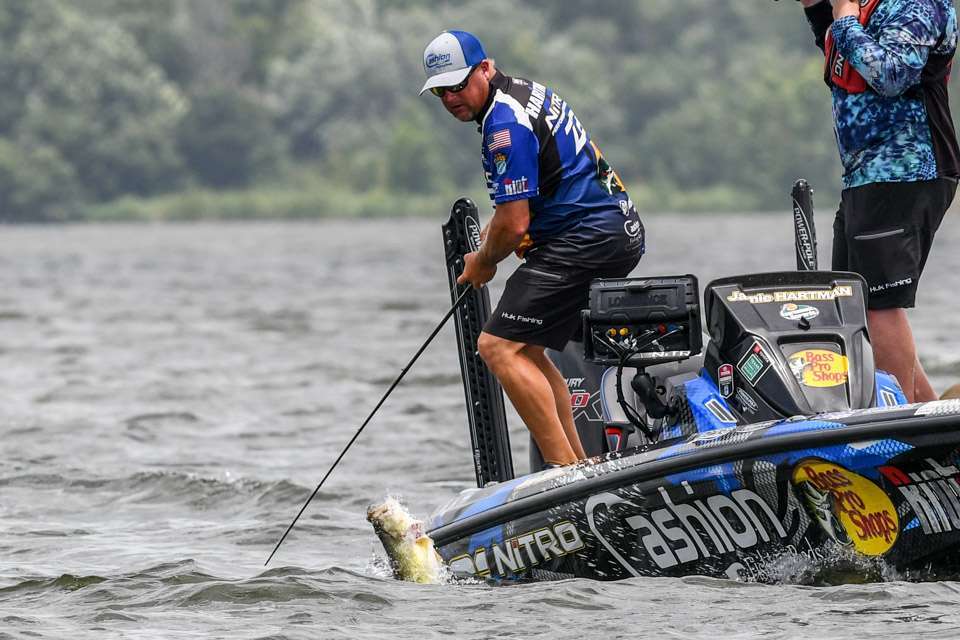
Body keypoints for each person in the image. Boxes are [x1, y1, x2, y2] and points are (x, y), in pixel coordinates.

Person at [419, 30, 645, 466]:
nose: (450, 99)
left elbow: (514, 222)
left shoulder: (503, 124)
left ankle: (564, 473)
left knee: (497, 347)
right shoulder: (520, 93)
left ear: (485, 68)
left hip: (588, 238)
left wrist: (484, 261)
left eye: (458, 85)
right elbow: (513, 213)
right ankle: (579, 465)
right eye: (440, 92)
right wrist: (489, 245)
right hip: (610, 231)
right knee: (525, 349)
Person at [798, 0, 960, 402]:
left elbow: (890, 74)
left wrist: (845, 16)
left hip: (907, 172)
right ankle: (924, 412)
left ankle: (897, 422)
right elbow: (844, 58)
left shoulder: (921, 4)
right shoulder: (869, 6)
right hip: (865, 178)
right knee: (849, 305)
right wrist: (819, 10)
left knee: (877, 305)